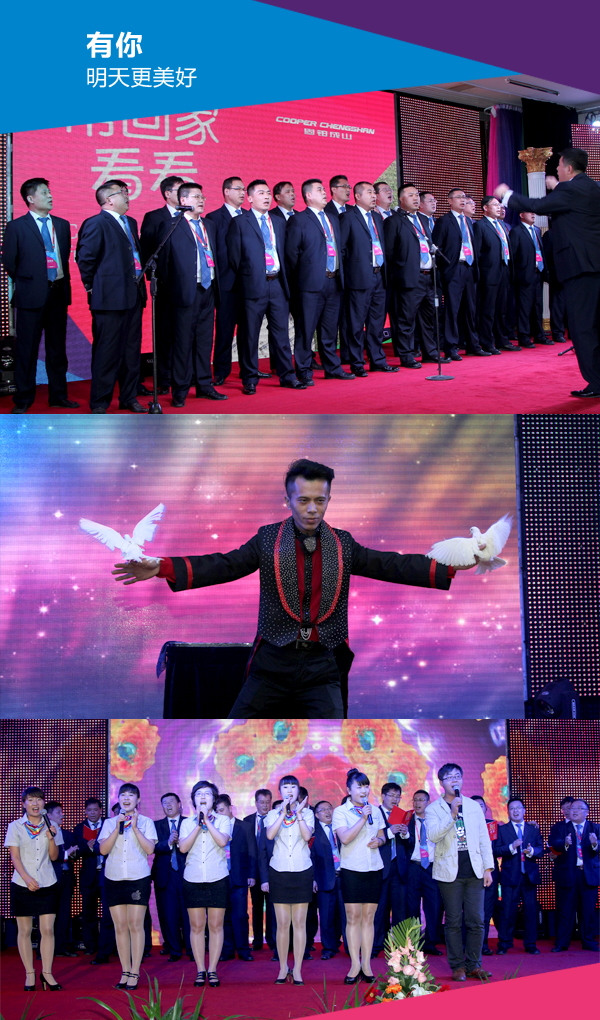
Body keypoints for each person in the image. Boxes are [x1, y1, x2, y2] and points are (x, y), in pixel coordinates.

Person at [113, 458, 468, 719]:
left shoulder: (343, 543)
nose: (312, 509)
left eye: (320, 500)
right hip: (271, 664)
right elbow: (225, 564)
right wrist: (162, 566)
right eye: (303, 500)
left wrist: (453, 562)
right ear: (288, 500)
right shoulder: (268, 538)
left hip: (322, 667)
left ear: (328, 499)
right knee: (235, 730)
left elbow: (391, 564)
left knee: (332, 736)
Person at [495, 147, 600, 398]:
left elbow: (538, 206)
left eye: (559, 166)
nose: (556, 170)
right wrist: (558, 187)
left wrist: (506, 194)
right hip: (594, 265)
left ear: (569, 168)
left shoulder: (570, 190)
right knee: (595, 325)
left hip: (579, 267)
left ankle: (596, 383)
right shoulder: (593, 187)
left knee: (582, 328)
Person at [1, 177, 79, 413]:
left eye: (49, 192)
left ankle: (58, 395)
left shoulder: (62, 225)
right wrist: (32, 281)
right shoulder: (16, 226)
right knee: (27, 349)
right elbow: (10, 262)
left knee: (57, 349)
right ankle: (24, 399)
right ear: (30, 198)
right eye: (44, 192)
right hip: (30, 296)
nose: (50, 196)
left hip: (58, 293)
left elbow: (64, 257)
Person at [226, 179, 305, 394]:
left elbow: (286, 254)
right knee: (250, 334)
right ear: (250, 198)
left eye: (268, 193)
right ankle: (250, 378)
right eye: (261, 193)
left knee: (281, 333)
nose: (267, 197)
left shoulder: (279, 222)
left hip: (277, 283)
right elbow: (234, 258)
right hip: (253, 285)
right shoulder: (240, 222)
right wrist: (250, 276)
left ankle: (287, 375)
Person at [76, 180, 147, 413]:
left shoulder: (130, 222)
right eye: (122, 193)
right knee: (107, 352)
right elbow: (85, 259)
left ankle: (129, 397)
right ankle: (100, 402)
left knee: (131, 351)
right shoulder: (96, 223)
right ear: (108, 200)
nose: (127, 196)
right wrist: (93, 287)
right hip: (109, 299)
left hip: (134, 296)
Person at [157, 182, 225, 407]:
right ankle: (180, 390)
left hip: (208, 289)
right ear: (183, 201)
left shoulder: (209, 225)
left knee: (205, 341)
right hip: (184, 292)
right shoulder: (171, 225)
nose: (201, 200)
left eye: (202, 196)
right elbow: (163, 264)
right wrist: (172, 290)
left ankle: (205, 385)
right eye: (196, 197)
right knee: (182, 343)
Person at [425, 763, 494, 982]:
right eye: (449, 777)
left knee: (477, 920)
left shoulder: (473, 806)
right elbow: (433, 836)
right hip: (449, 873)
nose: (454, 780)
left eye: (457, 776)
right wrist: (452, 814)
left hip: (474, 871)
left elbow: (483, 838)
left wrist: (488, 868)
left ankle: (474, 964)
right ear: (441, 782)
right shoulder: (433, 809)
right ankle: (457, 966)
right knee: (453, 921)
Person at [284, 178, 354, 385]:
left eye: (324, 189)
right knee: (306, 330)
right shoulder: (298, 220)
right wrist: (302, 280)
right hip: (310, 285)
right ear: (308, 195)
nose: (324, 193)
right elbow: (291, 255)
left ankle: (332, 368)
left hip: (334, 281)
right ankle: (304, 371)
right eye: (320, 190)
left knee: (330, 330)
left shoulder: (333, 218)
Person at [98, 783, 157, 991]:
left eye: (131, 795)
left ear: (137, 800)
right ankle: (124, 970)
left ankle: (135, 971)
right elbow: (103, 850)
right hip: (114, 877)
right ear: (118, 799)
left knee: (135, 925)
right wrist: (117, 827)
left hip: (137, 877)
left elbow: (150, 849)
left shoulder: (147, 822)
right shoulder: (109, 823)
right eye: (123, 795)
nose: (126, 798)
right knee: (120, 926)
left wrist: (135, 828)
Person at [4, 787, 64, 991]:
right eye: (31, 800)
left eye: (39, 799)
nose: (35, 803)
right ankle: (29, 973)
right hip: (23, 883)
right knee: (25, 930)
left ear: (43, 803)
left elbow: (54, 856)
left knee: (47, 929)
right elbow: (15, 857)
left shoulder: (52, 825)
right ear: (24, 804)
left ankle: (47, 973)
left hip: (47, 882)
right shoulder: (15, 826)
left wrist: (51, 837)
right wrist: (27, 878)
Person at [384, 184, 451, 367]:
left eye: (417, 195)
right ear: (401, 199)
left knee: (428, 318)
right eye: (411, 195)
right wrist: (400, 273)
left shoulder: (422, 220)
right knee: (406, 319)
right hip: (408, 278)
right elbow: (389, 253)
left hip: (429, 277)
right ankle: (406, 355)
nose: (415, 198)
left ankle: (430, 353)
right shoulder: (393, 221)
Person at [339, 181, 399, 376]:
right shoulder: (347, 217)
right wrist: (346, 278)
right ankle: (357, 362)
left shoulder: (377, 217)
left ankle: (377, 360)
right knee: (356, 324)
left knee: (377, 322)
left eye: (374, 192)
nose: (374, 196)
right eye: (369, 193)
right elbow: (342, 250)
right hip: (358, 278)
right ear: (357, 196)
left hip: (379, 276)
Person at [332, 769, 384, 984]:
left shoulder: (376, 810)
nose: (364, 790)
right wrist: (362, 818)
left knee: (369, 918)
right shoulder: (340, 811)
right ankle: (354, 964)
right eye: (359, 786)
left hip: (374, 868)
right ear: (349, 790)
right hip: (352, 869)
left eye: (366, 786)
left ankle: (367, 965)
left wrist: (380, 841)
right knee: (353, 917)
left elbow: (381, 835)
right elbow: (345, 838)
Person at [179, 780, 233, 987]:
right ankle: (200, 969)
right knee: (197, 926)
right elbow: (183, 848)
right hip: (192, 879)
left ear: (214, 799)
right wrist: (197, 824)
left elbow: (222, 841)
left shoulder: (223, 820)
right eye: (199, 794)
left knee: (216, 925)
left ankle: (212, 970)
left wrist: (207, 821)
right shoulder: (187, 823)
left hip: (217, 877)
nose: (203, 796)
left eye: (207, 794)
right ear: (193, 799)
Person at [265, 775, 314, 984]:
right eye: (286, 787)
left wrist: (299, 813)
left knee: (300, 924)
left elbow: (307, 836)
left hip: (302, 870)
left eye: (294, 786)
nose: (290, 790)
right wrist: (282, 812)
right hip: (279, 871)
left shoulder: (308, 813)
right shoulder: (272, 814)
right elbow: (270, 835)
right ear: (280, 791)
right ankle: (283, 967)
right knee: (283, 924)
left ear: (298, 790)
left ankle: (298, 969)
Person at [139, 174, 185, 393]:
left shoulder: (190, 216)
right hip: (165, 285)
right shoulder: (154, 217)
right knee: (164, 333)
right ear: (167, 194)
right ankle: (165, 379)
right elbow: (147, 250)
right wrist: (156, 277)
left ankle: (184, 375)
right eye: (180, 190)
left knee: (185, 332)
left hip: (189, 285)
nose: (185, 195)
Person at [432, 188, 489, 360]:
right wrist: (446, 267)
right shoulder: (444, 221)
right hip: (454, 269)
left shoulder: (469, 221)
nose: (463, 200)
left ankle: (473, 345)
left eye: (464, 197)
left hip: (469, 268)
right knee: (452, 310)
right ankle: (450, 347)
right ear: (450, 201)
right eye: (458, 197)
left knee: (470, 309)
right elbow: (437, 248)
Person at [205, 176, 249, 386]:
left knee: (248, 331)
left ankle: (248, 370)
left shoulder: (249, 216)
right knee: (224, 330)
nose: (242, 193)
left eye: (244, 189)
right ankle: (221, 371)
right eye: (238, 189)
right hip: (226, 283)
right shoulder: (213, 218)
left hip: (249, 283)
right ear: (226, 192)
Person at [494, 797, 544, 955]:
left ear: (524, 810)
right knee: (508, 911)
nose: (515, 811)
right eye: (512, 808)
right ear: (508, 812)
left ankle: (530, 944)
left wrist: (532, 851)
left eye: (518, 808)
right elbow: (496, 850)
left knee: (530, 911)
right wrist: (511, 847)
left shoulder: (533, 829)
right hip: (510, 876)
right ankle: (504, 943)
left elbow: (541, 849)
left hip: (529, 876)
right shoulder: (502, 830)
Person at [549, 798, 599, 952]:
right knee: (565, 910)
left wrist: (595, 843)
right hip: (568, 874)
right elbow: (554, 844)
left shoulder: (595, 828)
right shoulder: (561, 828)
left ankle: (589, 941)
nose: (574, 811)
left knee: (588, 910)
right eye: (572, 808)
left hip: (588, 874)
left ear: (587, 812)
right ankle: (562, 942)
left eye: (579, 808)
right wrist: (564, 843)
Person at [472, 196, 520, 354]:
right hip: (489, 273)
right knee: (488, 309)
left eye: (499, 205)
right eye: (494, 205)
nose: (499, 207)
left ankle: (502, 340)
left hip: (504, 270)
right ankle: (487, 342)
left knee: (502, 309)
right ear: (485, 208)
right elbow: (477, 252)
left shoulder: (502, 225)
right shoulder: (480, 225)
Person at [73, 797, 115, 963]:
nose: (92, 813)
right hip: (88, 876)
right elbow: (76, 853)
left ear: (100, 811)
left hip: (107, 874)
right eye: (89, 810)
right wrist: (88, 848)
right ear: (85, 811)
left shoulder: (108, 824)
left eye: (95, 810)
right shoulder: (79, 828)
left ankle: (110, 946)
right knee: (88, 912)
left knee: (109, 913)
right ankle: (91, 945)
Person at [215, 794, 256, 962]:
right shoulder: (214, 827)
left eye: (222, 810)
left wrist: (252, 874)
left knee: (240, 916)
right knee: (223, 915)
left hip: (240, 876)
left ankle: (244, 950)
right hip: (220, 876)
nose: (220, 814)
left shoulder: (245, 826)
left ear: (230, 808)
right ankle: (227, 950)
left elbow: (252, 851)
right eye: (217, 811)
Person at [152, 792, 192, 963]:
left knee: (189, 914)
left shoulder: (189, 823)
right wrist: (168, 843)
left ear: (179, 804)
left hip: (187, 874)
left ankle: (192, 949)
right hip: (165, 875)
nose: (168, 805)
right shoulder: (155, 825)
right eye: (164, 803)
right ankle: (174, 950)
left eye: (171, 802)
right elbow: (151, 846)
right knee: (169, 914)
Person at [404, 790, 443, 955]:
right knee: (412, 907)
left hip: (432, 868)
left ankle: (431, 943)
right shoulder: (407, 820)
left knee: (433, 906)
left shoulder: (436, 820)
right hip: (413, 867)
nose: (417, 803)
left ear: (428, 802)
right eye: (415, 800)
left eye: (421, 800)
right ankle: (413, 943)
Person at [372, 783, 407, 957]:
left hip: (399, 869)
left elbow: (409, 844)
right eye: (391, 795)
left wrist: (406, 834)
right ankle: (377, 945)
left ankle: (401, 948)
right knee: (379, 910)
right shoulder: (374, 813)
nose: (395, 799)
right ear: (383, 796)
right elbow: (372, 838)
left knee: (400, 910)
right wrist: (389, 832)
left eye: (397, 796)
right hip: (380, 868)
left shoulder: (401, 814)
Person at [310, 800, 346, 960]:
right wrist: (313, 879)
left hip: (344, 877)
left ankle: (349, 947)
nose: (327, 812)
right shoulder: (312, 832)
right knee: (326, 916)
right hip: (324, 879)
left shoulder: (341, 828)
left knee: (345, 915)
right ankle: (328, 948)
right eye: (323, 810)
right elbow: (310, 857)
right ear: (316, 815)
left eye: (329, 808)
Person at [509, 212, 551, 348]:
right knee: (524, 308)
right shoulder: (516, 231)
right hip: (524, 275)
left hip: (538, 272)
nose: (533, 214)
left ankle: (539, 335)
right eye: (529, 212)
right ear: (521, 215)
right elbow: (513, 256)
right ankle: (524, 337)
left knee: (538, 306)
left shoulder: (537, 230)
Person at [243, 789, 275, 953]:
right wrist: (250, 873)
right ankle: (256, 940)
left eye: (268, 802)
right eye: (262, 802)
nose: (265, 805)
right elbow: (246, 849)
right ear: (256, 803)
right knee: (256, 906)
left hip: (271, 871)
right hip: (253, 872)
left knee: (271, 907)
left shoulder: (275, 819)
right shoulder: (247, 821)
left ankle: (271, 939)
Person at [46, 801, 78, 958]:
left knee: (64, 913)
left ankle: (62, 946)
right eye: (58, 812)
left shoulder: (67, 834)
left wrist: (74, 853)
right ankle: (44, 949)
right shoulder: (43, 833)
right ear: (49, 815)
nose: (62, 815)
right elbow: (49, 855)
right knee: (47, 914)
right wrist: (66, 854)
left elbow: (75, 853)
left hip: (66, 877)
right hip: (49, 878)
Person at [471, 795, 500, 956]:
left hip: (490, 873)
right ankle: (468, 945)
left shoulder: (493, 826)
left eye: (481, 805)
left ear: (485, 809)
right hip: (470, 874)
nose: (478, 808)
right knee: (470, 912)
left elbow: (500, 848)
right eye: (474, 805)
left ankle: (483, 944)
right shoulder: (463, 826)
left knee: (487, 912)